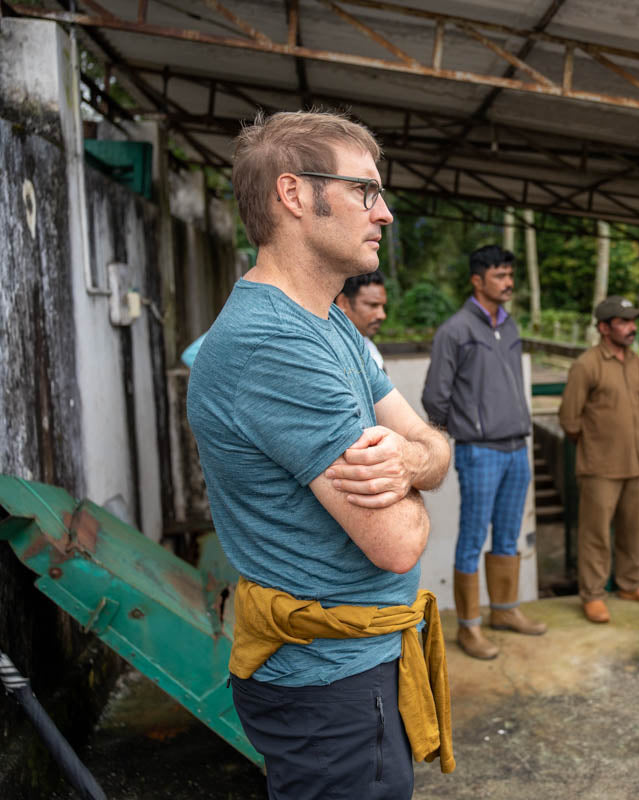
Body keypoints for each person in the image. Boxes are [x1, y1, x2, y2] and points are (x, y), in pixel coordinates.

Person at [187, 110, 454, 799]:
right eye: (367, 190)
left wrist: (410, 464)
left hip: (352, 666)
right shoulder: (275, 346)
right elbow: (396, 543)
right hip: (328, 683)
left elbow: (432, 445)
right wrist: (418, 474)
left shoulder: (328, 321)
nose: (385, 212)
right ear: (295, 194)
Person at [422, 245, 543, 658]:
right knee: (473, 537)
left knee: (508, 535)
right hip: (480, 451)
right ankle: (469, 627)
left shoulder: (510, 326)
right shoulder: (454, 330)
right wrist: (463, 432)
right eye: (499, 276)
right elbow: (434, 397)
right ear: (477, 280)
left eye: (510, 274)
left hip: (515, 448)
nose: (508, 282)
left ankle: (505, 610)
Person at [558, 296, 639, 623]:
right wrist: (595, 445)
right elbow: (569, 419)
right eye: (624, 322)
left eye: (634, 321)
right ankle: (592, 595)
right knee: (596, 535)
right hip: (599, 466)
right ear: (604, 328)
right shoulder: (586, 365)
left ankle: (631, 584)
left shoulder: (634, 361)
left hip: (634, 462)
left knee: (635, 529)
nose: (632, 328)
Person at [336, 269, 388, 371]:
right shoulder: (332, 353)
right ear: (343, 303)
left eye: (382, 306)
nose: (382, 315)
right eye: (373, 305)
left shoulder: (368, 346)